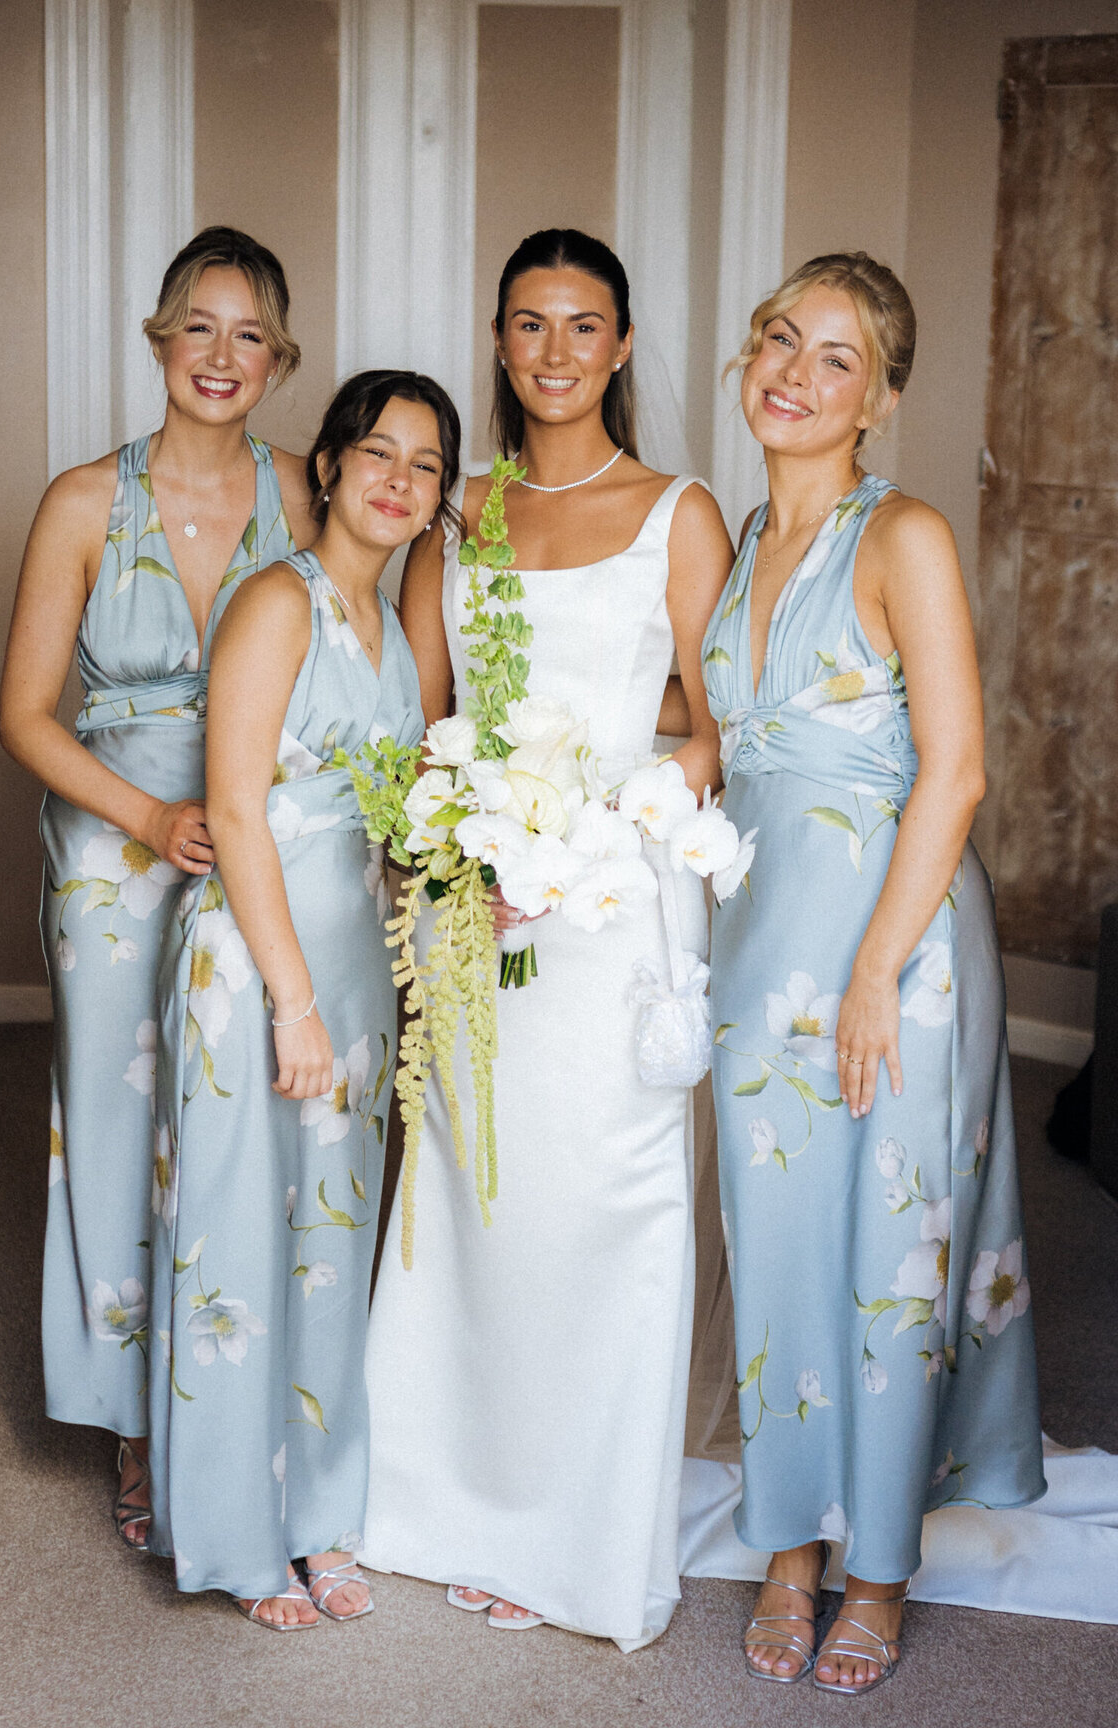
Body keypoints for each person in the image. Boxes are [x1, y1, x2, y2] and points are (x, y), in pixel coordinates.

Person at [362, 229, 734, 1648]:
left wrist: (590, 837)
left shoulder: (680, 511)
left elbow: (716, 729)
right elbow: (416, 709)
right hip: (474, 899)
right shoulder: (453, 512)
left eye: (586, 327)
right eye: (530, 325)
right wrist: (451, 843)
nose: (557, 353)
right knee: (472, 1196)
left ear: (623, 346)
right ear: (500, 340)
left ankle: (578, 1531)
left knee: (597, 1202)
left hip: (614, 901)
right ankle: (452, 1497)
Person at [701, 253, 1045, 1695]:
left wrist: (873, 974)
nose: (794, 369)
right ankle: (792, 1544)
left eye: (835, 357)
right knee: (777, 1246)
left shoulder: (899, 534)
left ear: (880, 398)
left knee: (892, 1256)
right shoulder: (725, 548)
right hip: (758, 946)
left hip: (894, 949)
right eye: (780, 338)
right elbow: (715, 747)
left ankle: (882, 1564)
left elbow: (956, 773)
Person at [0, 227, 309, 1550]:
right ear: (158, 342)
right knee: (126, 1113)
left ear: (282, 359)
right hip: (117, 850)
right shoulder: (81, 502)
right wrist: (147, 818)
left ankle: (245, 1384)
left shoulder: (311, 488)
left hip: (266, 832)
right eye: (200, 327)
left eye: (249, 335)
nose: (221, 356)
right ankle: (135, 1412)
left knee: (241, 1112)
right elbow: (26, 714)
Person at [145, 370, 455, 1630]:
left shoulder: (395, 630)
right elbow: (233, 809)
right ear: (324, 466)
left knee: (332, 1248)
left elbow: (405, 816)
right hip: (256, 970)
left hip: (352, 967)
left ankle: (321, 1512)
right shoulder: (278, 602)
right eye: (374, 451)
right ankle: (231, 1537)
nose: (396, 478)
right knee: (238, 1244)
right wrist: (292, 1002)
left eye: (425, 464)